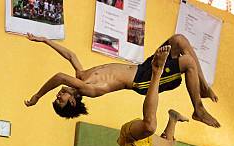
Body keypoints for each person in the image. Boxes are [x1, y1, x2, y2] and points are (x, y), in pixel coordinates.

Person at [24, 34, 220, 127]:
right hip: (143, 79)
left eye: (57, 97)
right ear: (73, 101)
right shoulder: (89, 90)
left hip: (142, 67)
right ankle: (198, 108)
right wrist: (37, 96)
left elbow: (71, 56)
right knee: (187, 63)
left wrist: (46, 41)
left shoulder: (81, 76)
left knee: (179, 40)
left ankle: (203, 86)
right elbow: (59, 77)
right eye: (61, 99)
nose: (58, 94)